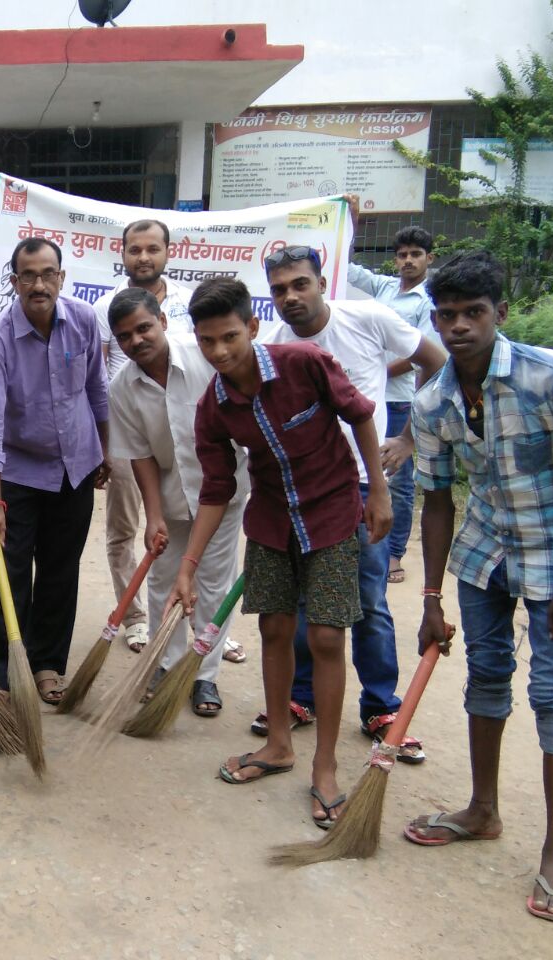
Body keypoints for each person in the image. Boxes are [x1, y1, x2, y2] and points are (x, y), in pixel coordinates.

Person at [404, 251, 553, 923]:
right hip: (486, 556)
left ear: (499, 315)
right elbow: (438, 499)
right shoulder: (432, 399)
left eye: (473, 313)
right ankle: (482, 811)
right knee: (486, 677)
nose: (459, 327)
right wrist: (429, 599)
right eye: (447, 315)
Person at [171, 277, 391, 828]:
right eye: (207, 341)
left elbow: (360, 413)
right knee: (273, 630)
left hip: (334, 514)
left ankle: (325, 767)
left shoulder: (304, 362)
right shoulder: (213, 408)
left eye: (229, 337)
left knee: (324, 636)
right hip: (270, 523)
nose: (219, 352)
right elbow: (216, 489)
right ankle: (278, 746)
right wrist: (188, 567)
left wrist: (378, 489)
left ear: (250, 327)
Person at [257, 245, 445, 762]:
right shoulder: (270, 345)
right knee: (300, 600)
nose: (291, 296)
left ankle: (381, 705)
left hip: (362, 486)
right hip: (301, 493)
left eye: (300, 284)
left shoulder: (368, 317)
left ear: (321, 282)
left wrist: (408, 439)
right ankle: (301, 698)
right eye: (279, 289)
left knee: (367, 600)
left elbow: (436, 361)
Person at [0, 237, 110, 704]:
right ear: (14, 282)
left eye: (47, 274)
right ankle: (5, 672)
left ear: (61, 278)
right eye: (27, 275)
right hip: (18, 473)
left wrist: (105, 449)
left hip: (76, 468)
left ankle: (48, 663)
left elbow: (97, 388)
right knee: (10, 575)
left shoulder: (84, 320)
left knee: (60, 570)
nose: (38, 284)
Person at [106, 288, 247, 716]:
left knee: (212, 584)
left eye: (144, 328)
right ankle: (165, 665)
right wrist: (153, 517)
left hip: (225, 494)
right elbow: (140, 454)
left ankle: (203, 676)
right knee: (164, 579)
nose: (137, 341)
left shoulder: (206, 357)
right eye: (125, 336)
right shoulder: (122, 387)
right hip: (169, 496)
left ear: (163, 322)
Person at [92, 220, 196, 655]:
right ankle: (133, 616)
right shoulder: (104, 306)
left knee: (189, 534)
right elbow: (97, 376)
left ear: (169, 252)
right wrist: (102, 444)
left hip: (182, 437)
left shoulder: (190, 302)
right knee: (124, 530)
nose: (143, 257)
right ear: (123, 253)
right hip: (126, 434)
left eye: (153, 248)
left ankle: (205, 625)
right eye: (135, 249)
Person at [344, 199, 437, 584]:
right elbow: (344, 268)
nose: (408, 261)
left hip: (400, 398)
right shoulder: (384, 287)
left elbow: (419, 356)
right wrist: (350, 224)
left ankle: (394, 552)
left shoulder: (429, 299)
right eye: (402, 255)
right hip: (373, 399)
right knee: (366, 475)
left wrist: (375, 373)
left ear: (429, 259)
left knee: (395, 479)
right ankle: (367, 543)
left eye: (416, 255)